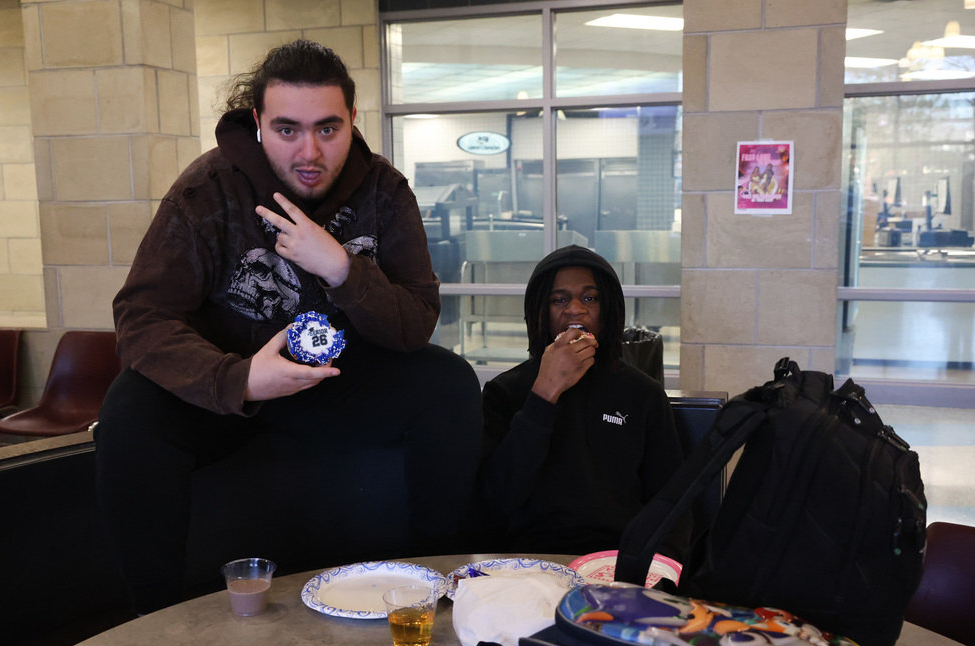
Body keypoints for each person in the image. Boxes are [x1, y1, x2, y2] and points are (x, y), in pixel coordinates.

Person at [94, 39, 481, 615]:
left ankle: (431, 583)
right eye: (287, 130)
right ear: (257, 122)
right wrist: (240, 379)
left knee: (448, 383)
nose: (310, 151)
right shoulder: (207, 190)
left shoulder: (384, 191)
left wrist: (342, 268)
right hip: (232, 385)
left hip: (341, 380)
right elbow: (141, 317)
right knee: (129, 406)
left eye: (327, 128)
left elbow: (416, 322)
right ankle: (153, 615)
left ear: (352, 119)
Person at [476, 245, 690, 565]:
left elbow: (672, 505)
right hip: (527, 563)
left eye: (590, 298)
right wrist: (544, 394)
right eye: (559, 300)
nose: (575, 310)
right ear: (539, 312)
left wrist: (659, 570)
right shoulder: (504, 392)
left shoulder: (643, 394)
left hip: (616, 563)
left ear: (609, 310)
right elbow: (493, 503)